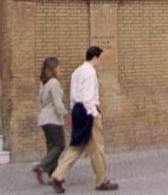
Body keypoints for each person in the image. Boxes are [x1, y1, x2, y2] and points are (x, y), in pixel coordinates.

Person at [49, 46, 117, 193]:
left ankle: (57, 176)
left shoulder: (77, 71)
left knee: (77, 146)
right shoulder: (90, 73)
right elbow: (87, 98)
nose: (100, 61)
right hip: (88, 112)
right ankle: (101, 181)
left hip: (78, 110)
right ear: (95, 57)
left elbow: (73, 96)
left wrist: (75, 112)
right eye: (100, 58)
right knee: (97, 148)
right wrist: (95, 114)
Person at [33, 57, 67, 185]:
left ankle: (53, 176)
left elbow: (41, 101)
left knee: (51, 147)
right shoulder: (54, 83)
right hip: (53, 119)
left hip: (43, 119)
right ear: (53, 69)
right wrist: (66, 114)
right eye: (58, 67)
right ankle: (41, 167)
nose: (60, 69)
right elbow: (58, 104)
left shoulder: (43, 82)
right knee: (60, 145)